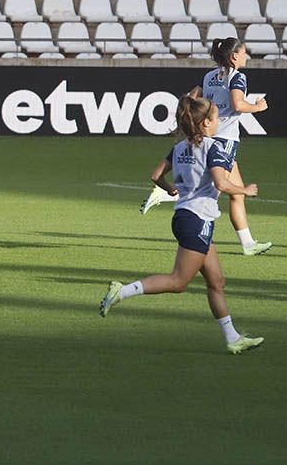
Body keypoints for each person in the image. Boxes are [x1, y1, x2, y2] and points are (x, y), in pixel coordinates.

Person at [100, 90, 264, 354]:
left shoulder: (179, 147)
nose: (219, 121)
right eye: (216, 117)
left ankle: (233, 338)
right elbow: (222, 183)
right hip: (197, 221)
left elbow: (154, 175)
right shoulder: (214, 147)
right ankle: (123, 290)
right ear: (206, 123)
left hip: (186, 217)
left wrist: (171, 188)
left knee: (217, 282)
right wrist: (245, 191)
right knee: (178, 282)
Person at [141, 38, 271, 256]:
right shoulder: (237, 77)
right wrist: (257, 107)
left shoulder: (210, 75)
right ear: (234, 56)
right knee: (213, 189)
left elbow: (191, 97)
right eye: (244, 52)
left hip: (210, 136)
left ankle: (248, 243)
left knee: (236, 195)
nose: (247, 56)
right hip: (225, 140)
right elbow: (238, 104)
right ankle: (167, 195)